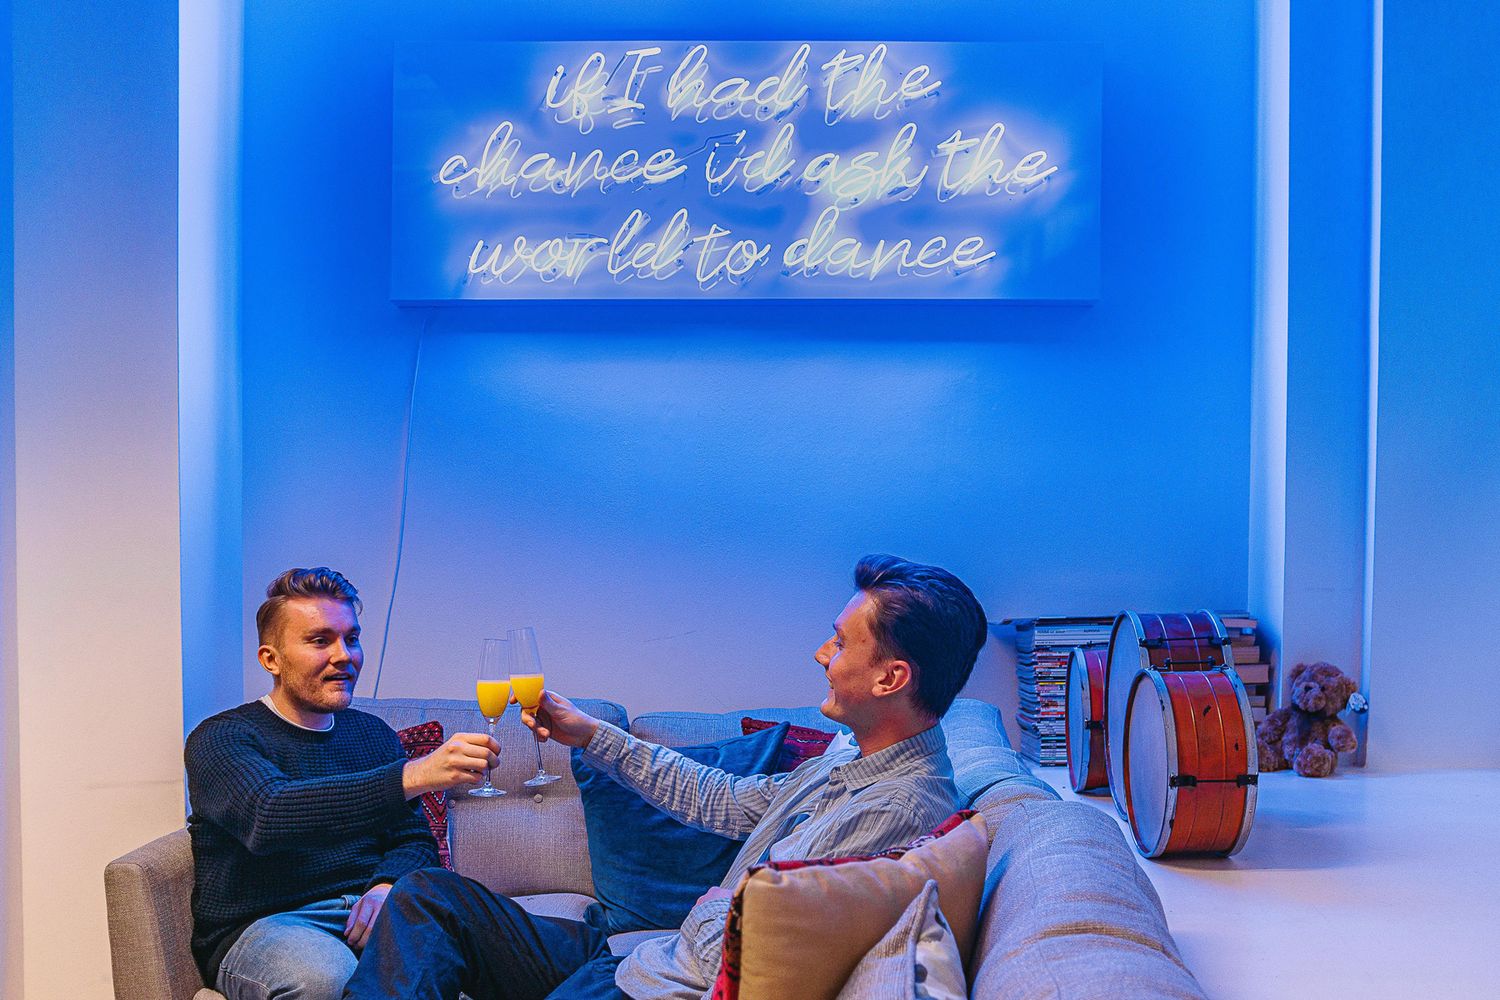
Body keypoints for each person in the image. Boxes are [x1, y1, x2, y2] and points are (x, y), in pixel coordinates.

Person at [342, 554, 987, 1000]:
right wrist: (590, 733)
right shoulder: (851, 758)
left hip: (658, 987)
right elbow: (726, 801)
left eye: (841, 643)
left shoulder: (897, 808)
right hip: (637, 958)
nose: (822, 654)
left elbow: (744, 941)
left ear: (890, 678)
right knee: (428, 896)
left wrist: (713, 908)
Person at [186, 567, 503, 1000]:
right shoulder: (222, 737)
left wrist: (388, 885)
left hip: (372, 911)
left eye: (351, 639)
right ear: (271, 659)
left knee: (488, 956)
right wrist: (413, 774)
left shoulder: (371, 734)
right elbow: (269, 814)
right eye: (320, 641)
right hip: (270, 925)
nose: (344, 655)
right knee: (328, 979)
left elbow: (413, 839)